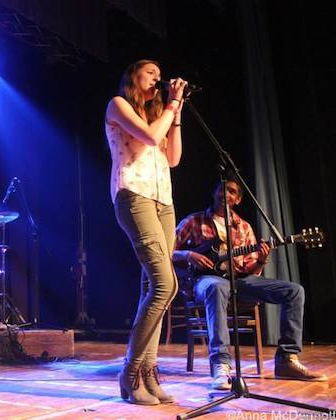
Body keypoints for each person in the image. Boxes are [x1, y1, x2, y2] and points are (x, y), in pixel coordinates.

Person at [173, 178, 328, 390]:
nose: (226, 194)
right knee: (216, 287)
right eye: (222, 189)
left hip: (240, 281)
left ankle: (287, 360)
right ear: (214, 192)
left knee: (294, 291)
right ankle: (221, 364)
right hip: (205, 280)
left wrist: (262, 260)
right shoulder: (194, 221)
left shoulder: (244, 227)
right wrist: (189, 255)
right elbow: (166, 250)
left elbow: (251, 271)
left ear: (238, 199)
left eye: (231, 191)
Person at [105, 59, 187, 405]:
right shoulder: (118, 105)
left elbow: (173, 158)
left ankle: (149, 372)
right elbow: (151, 137)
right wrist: (172, 103)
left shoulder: (158, 116)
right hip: (133, 194)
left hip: (163, 201)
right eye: (150, 72)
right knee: (166, 284)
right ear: (133, 76)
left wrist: (176, 112)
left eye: (159, 74)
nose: (157, 77)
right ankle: (130, 371)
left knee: (153, 287)